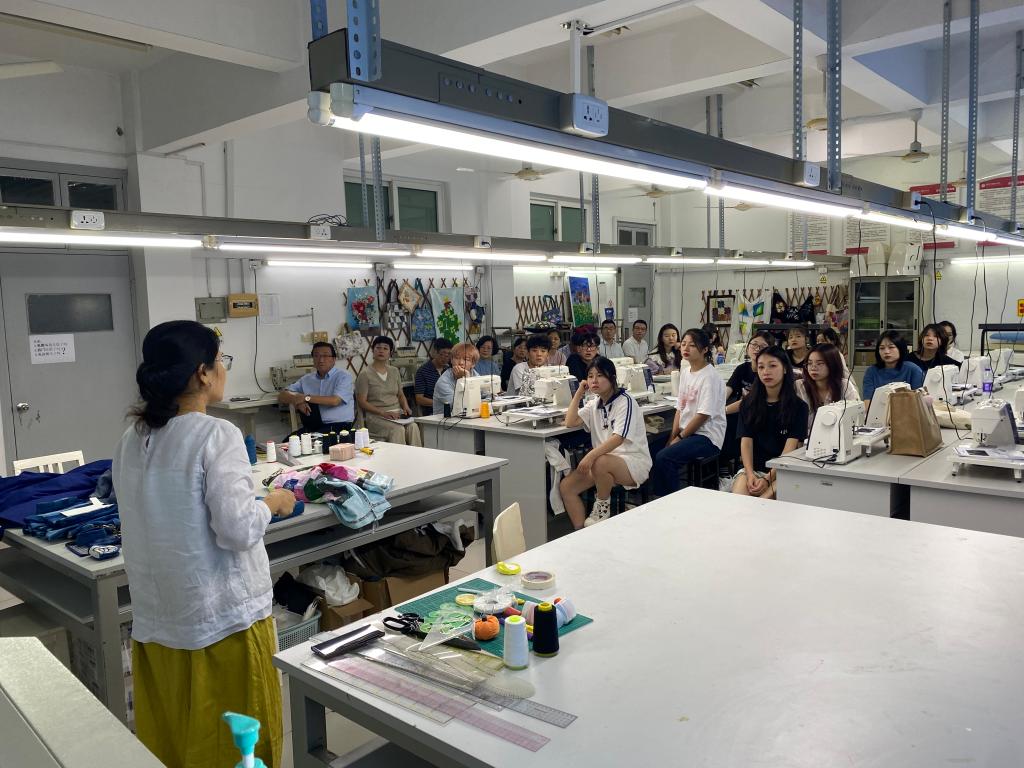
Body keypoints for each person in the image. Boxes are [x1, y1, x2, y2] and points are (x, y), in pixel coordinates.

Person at [112, 320, 296, 768]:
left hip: (160, 620)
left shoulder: (132, 439)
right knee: (235, 747)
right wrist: (272, 503)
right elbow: (237, 529)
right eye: (221, 361)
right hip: (222, 623)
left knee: (175, 739)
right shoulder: (216, 434)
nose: (223, 369)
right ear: (202, 373)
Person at [560, 357, 652, 528]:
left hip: (632, 463)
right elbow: (570, 422)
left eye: (600, 375)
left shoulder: (626, 401)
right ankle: (581, 533)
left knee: (599, 461)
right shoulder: (594, 403)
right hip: (602, 465)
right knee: (567, 487)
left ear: (612, 378)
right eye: (590, 376)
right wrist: (579, 392)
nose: (594, 380)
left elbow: (619, 438)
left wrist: (590, 457)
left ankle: (602, 506)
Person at [650, 328, 727, 496]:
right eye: (683, 344)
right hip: (687, 432)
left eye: (692, 345)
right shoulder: (685, 373)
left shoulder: (710, 377)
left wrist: (679, 438)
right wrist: (673, 436)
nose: (685, 348)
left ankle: (672, 502)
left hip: (707, 436)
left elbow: (703, 415)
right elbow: (680, 407)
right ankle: (657, 498)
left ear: (705, 349)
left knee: (665, 457)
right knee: (651, 449)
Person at [731, 346, 808, 500]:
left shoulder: (799, 407)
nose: (766, 371)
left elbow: (788, 451)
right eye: (761, 367)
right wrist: (750, 474)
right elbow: (746, 442)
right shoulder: (748, 403)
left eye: (772, 365)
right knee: (739, 501)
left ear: (785, 368)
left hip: (783, 470)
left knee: (762, 502)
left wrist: (767, 479)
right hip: (752, 469)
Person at [356, 336, 422, 446]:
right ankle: (397, 457)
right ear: (372, 350)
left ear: (390, 353)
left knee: (413, 427)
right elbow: (361, 402)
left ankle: (416, 456)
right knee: (398, 429)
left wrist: (405, 406)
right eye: (378, 348)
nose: (381, 351)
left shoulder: (394, 371)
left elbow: (400, 394)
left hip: (396, 415)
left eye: (385, 348)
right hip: (376, 416)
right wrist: (383, 413)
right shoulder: (365, 374)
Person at [277, 341, 354, 434]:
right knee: (288, 442)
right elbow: (282, 395)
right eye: (316, 356)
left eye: (325, 355)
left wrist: (305, 398)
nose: (321, 360)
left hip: (339, 427)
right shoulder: (306, 379)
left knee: (313, 442)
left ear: (334, 359)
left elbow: (334, 401)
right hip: (312, 427)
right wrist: (297, 400)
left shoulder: (344, 376)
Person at [796, 343, 860, 430]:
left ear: (832, 364)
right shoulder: (799, 386)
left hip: (837, 436)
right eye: (810, 363)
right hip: (806, 437)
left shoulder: (844, 386)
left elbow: (856, 416)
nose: (813, 367)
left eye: (819, 363)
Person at [862, 331, 924, 405]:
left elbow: (919, 400)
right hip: (878, 410)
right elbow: (867, 401)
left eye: (891, 347)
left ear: (900, 349)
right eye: (882, 348)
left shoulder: (913, 370)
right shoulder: (871, 371)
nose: (886, 352)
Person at [433, 342, 481, 415]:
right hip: (445, 420)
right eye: (457, 358)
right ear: (451, 360)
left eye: (466, 359)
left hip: (470, 417)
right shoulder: (443, 381)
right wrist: (464, 379)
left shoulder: (474, 374)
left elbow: (486, 395)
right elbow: (460, 406)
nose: (461, 362)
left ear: (473, 364)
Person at [414, 338, 452, 413]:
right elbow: (419, 399)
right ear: (435, 352)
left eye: (448, 355)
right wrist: (440, 404)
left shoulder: (450, 370)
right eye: (442, 354)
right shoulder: (423, 371)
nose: (445, 358)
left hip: (451, 409)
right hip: (432, 412)